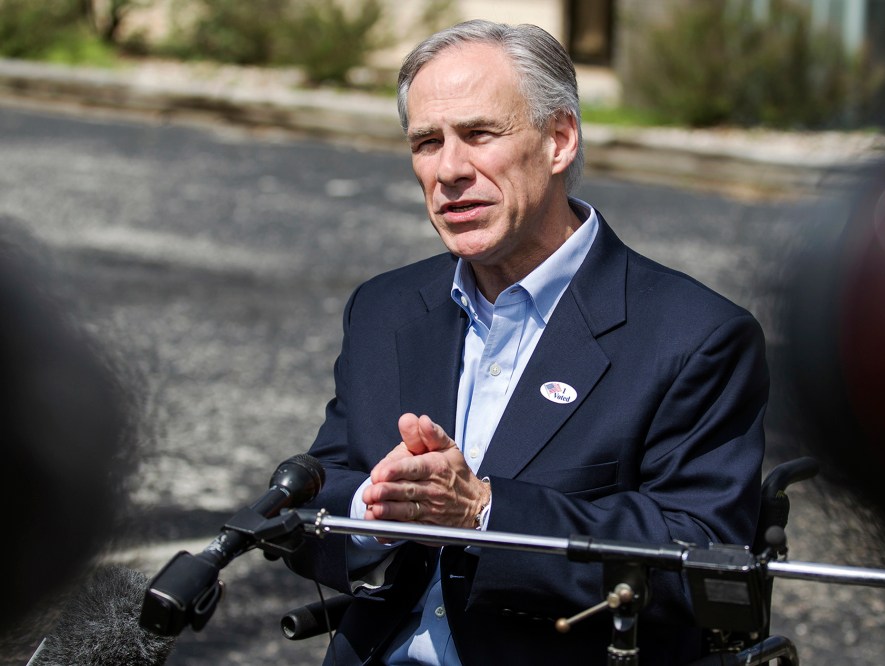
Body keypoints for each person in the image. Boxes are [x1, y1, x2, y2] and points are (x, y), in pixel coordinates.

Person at [287, 19, 768, 666]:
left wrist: (485, 513)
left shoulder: (696, 337)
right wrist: (374, 511)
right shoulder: (385, 309)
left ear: (560, 139)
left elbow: (697, 564)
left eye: (479, 134)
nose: (450, 169)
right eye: (426, 142)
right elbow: (314, 498)